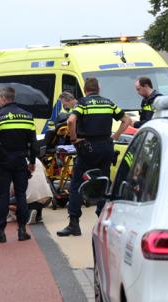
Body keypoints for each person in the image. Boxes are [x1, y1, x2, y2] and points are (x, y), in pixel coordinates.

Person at [57, 77, 131, 237]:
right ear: (99, 89)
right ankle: (104, 223)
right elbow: (127, 120)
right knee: (103, 182)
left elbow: (71, 120)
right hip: (106, 147)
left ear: (85, 89)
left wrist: (74, 139)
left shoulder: (83, 103)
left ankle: (74, 224)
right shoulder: (109, 103)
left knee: (76, 184)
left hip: (87, 147)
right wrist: (115, 136)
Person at [0, 87, 38, 243]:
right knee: (21, 195)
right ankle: (22, 231)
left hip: (3, 162)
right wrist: (33, 161)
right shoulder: (27, 116)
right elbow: (33, 143)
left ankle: (0, 232)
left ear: (2, 98)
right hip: (21, 161)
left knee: (3, 196)